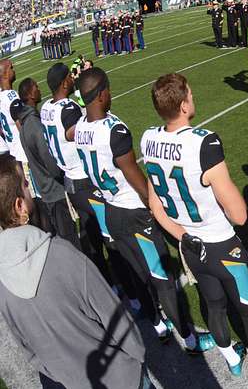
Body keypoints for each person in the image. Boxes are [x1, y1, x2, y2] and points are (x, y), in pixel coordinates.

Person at [142, 73, 248, 389]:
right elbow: (240, 215)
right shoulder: (203, 143)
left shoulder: (149, 139)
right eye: (190, 94)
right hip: (222, 245)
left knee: (213, 304)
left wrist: (183, 236)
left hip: (190, 245)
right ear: (183, 104)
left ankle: (231, 358)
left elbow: (155, 206)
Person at [0, 155, 186, 389]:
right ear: (18, 206)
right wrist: (135, 356)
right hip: (125, 377)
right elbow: (114, 315)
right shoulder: (61, 254)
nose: (30, 188)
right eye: (26, 185)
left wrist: (65, 374)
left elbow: (28, 350)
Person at [73, 67, 213, 354]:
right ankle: (188, 338)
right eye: (108, 90)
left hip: (109, 210)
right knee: (161, 277)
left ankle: (158, 326)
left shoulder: (80, 129)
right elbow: (131, 171)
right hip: (133, 211)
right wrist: (153, 203)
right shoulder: (114, 130)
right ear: (101, 94)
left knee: (136, 273)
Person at [40, 63, 111, 280]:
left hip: (69, 180)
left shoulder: (46, 107)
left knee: (91, 235)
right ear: (64, 83)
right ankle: (131, 291)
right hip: (83, 179)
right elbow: (72, 134)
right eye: (70, 78)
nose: (73, 80)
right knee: (109, 236)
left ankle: (103, 278)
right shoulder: (68, 108)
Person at [11, 78, 77, 243]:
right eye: (36, 87)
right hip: (54, 190)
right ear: (31, 94)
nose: (39, 90)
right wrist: (60, 175)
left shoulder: (26, 124)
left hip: (45, 188)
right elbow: (48, 159)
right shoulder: (34, 124)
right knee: (70, 239)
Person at [0, 60, 25, 167]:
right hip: (24, 154)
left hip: (13, 152)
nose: (13, 71)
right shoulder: (12, 97)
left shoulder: (1, 96)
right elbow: (23, 128)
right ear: (5, 74)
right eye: (11, 68)